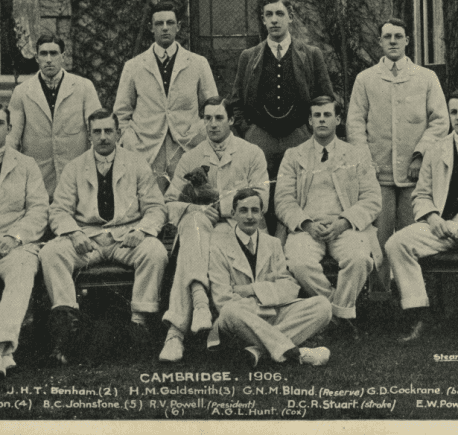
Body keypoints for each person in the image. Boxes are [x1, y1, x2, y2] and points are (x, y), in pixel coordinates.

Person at [39, 109, 168, 364]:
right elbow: (59, 210)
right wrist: (74, 233)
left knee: (155, 252)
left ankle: (139, 323)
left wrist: (141, 230)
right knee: (50, 253)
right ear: (89, 136)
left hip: (125, 237)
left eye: (109, 131)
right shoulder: (75, 167)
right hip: (88, 239)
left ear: (118, 133)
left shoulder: (136, 163)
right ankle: (68, 324)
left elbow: (156, 207)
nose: (103, 137)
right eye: (97, 132)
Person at [159, 96, 269, 362]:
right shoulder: (191, 157)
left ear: (231, 120)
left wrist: (221, 206)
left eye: (219, 118)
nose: (212, 124)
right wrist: (194, 209)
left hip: (240, 228)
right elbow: (168, 203)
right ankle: (199, 304)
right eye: (207, 118)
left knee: (195, 244)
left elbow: (262, 200)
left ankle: (175, 333)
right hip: (201, 227)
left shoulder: (251, 153)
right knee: (194, 224)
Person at [346, 18, 449, 298]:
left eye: (398, 36)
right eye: (387, 37)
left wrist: (420, 155)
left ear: (407, 41)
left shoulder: (425, 77)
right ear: (380, 41)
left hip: (415, 177)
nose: (393, 41)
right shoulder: (365, 79)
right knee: (378, 239)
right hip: (377, 175)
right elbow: (355, 123)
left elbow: (440, 121)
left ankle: (413, 299)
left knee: (411, 238)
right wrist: (366, 163)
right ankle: (379, 298)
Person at [275, 96, 382, 337]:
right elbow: (282, 200)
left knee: (359, 258)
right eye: (317, 115)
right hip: (307, 228)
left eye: (327, 115)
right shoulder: (294, 155)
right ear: (310, 121)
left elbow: (372, 198)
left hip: (345, 226)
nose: (322, 120)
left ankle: (336, 314)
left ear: (338, 119)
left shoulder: (357, 154)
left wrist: (343, 222)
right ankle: (339, 316)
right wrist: (306, 224)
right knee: (299, 263)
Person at [231, 0, 333, 232]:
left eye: (279, 14)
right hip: (260, 138)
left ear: (291, 17)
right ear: (263, 20)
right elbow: (236, 102)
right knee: (259, 194)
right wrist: (249, 131)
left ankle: (293, 242)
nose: (274, 20)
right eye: (269, 15)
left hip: (298, 136)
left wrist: (308, 130)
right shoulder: (249, 57)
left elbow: (326, 98)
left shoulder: (311, 55)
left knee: (298, 193)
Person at [207, 188, 332, 367]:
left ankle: (259, 350)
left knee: (323, 306)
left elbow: (290, 288)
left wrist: (251, 290)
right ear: (233, 214)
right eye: (243, 210)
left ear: (261, 214)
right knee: (229, 311)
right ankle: (296, 352)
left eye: (255, 211)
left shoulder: (273, 244)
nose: (249, 216)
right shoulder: (219, 246)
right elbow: (222, 299)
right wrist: (268, 295)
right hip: (242, 318)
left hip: (272, 313)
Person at [114, 1, 218, 193]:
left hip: (186, 147)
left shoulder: (198, 64)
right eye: (159, 23)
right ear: (151, 28)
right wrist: (130, 140)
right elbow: (121, 113)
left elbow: (213, 108)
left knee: (185, 201)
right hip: (146, 149)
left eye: (170, 23)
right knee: (149, 202)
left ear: (178, 26)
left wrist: (198, 133)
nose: (164, 28)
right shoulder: (134, 66)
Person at [386, 91, 458, 342]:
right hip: (441, 227)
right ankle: (418, 314)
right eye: (454, 112)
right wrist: (433, 217)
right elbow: (421, 195)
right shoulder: (437, 149)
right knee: (397, 243)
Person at [8, 35, 101, 199]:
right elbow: (11, 140)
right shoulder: (22, 92)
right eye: (43, 54)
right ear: (36, 58)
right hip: (38, 183)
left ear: (63, 56)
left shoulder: (84, 87)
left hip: (77, 181)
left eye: (54, 53)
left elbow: (97, 132)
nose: (49, 59)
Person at [0, 105, 49, 376]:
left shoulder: (26, 165)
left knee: (22, 268)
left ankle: (3, 346)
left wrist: (14, 237)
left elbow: (39, 210)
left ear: (9, 129)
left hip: (14, 244)